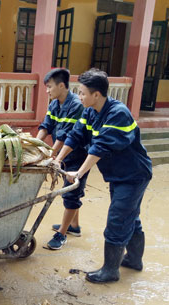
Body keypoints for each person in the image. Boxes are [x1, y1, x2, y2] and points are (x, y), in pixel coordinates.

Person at [54, 68, 152, 283]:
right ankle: (134, 260)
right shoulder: (90, 111)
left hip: (133, 175)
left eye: (82, 93)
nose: (78, 97)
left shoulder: (118, 113)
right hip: (118, 175)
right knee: (130, 216)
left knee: (118, 218)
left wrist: (79, 173)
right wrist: (57, 159)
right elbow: (75, 136)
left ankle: (110, 270)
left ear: (96, 94)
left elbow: (100, 147)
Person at [36, 68, 88, 250]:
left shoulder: (76, 105)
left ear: (61, 85)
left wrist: (54, 156)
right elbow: (47, 126)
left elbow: (65, 135)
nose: (47, 91)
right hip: (63, 154)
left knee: (70, 193)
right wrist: (34, 144)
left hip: (78, 155)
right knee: (72, 191)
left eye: (49, 87)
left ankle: (62, 234)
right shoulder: (54, 104)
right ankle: (74, 226)